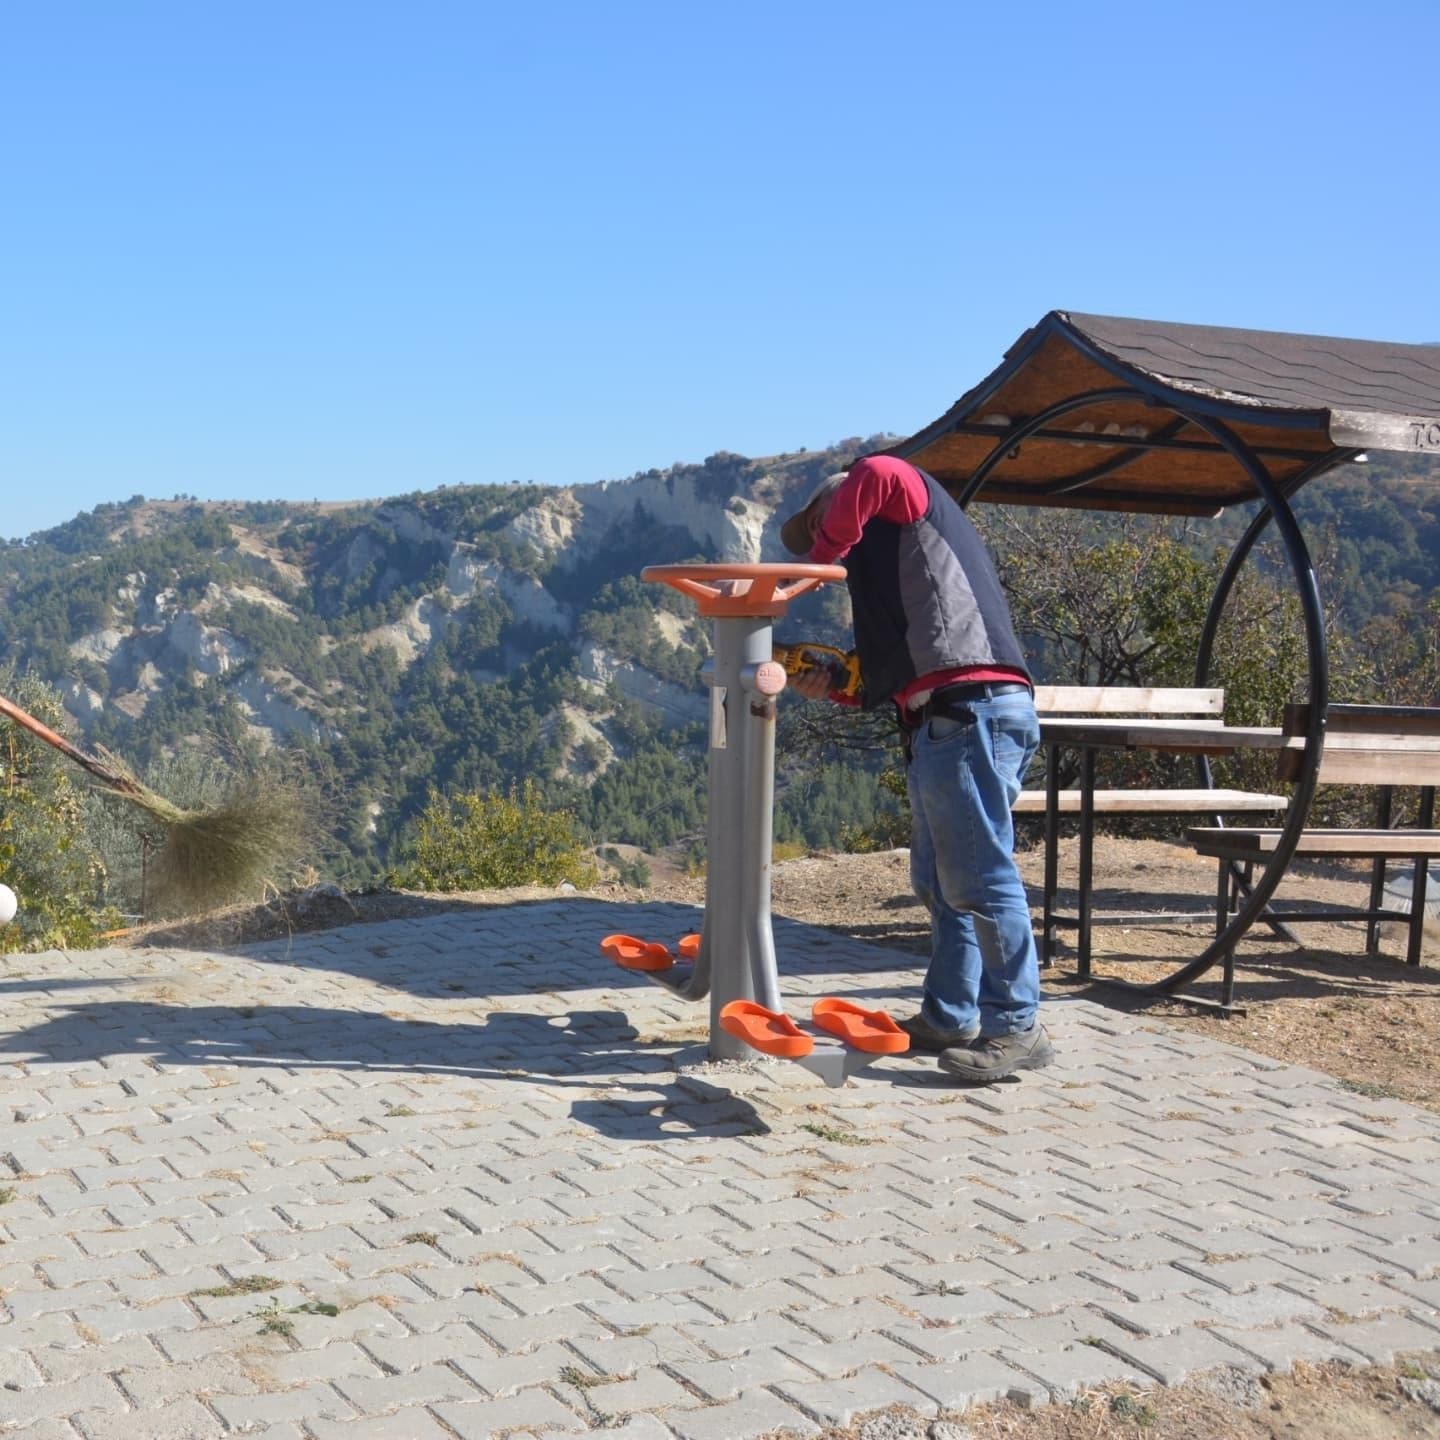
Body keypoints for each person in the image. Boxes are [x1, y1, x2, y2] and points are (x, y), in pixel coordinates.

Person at [780, 454, 1052, 1082]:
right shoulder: (897, 574)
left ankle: (1017, 1025)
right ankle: (951, 1015)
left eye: (829, 519)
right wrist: (837, 687)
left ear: (843, 503)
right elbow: (896, 676)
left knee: (979, 878)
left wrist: (820, 556)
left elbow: (876, 469)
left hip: (970, 711)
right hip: (947, 717)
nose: (837, 547)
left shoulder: (902, 499)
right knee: (943, 881)